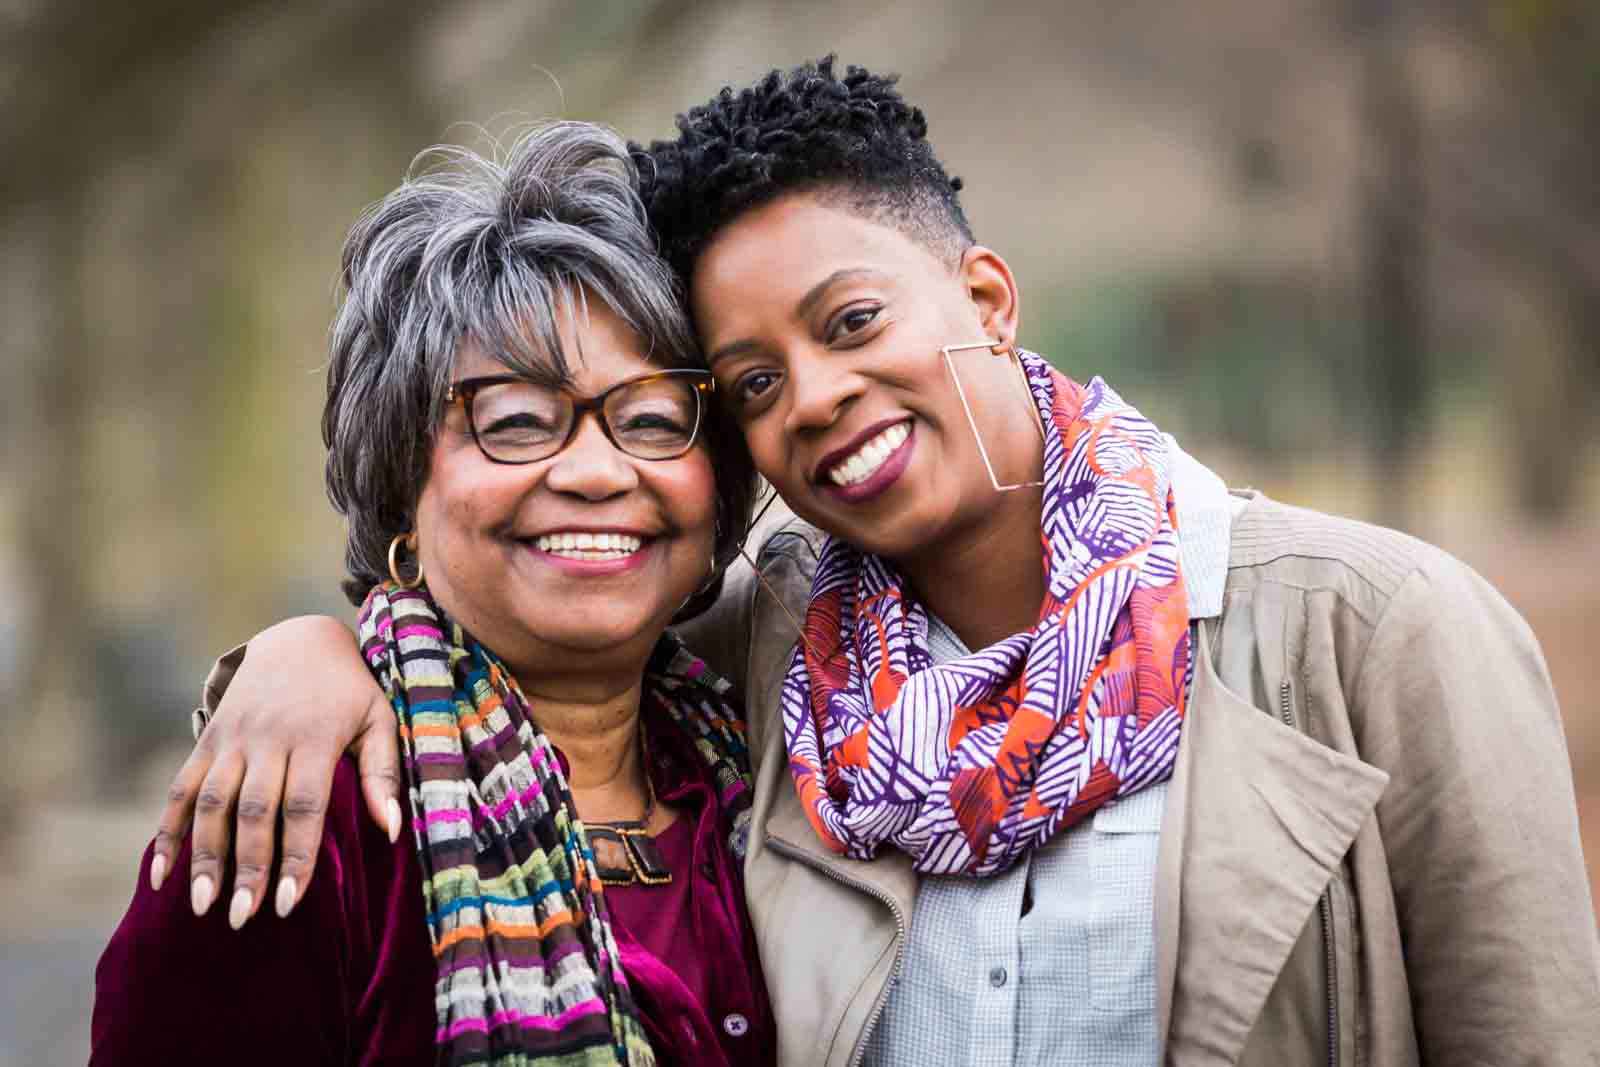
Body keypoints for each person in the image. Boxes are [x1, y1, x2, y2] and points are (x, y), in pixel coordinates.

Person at [152, 58, 1600, 1065]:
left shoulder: (1377, 635)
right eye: (752, 382)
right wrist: (310, 651)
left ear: (984, 292)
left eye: (849, 323)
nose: (819, 398)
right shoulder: (766, 666)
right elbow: (528, 623)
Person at [91, 121, 774, 1067]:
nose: (594, 470)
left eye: (654, 418)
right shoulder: (305, 816)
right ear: (401, 481)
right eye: (516, 420)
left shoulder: (780, 765)